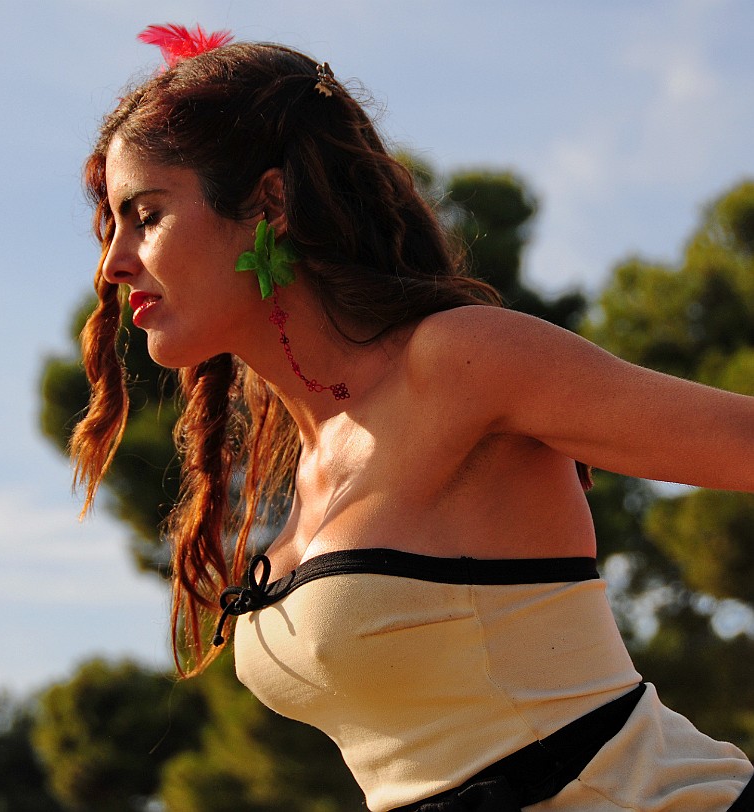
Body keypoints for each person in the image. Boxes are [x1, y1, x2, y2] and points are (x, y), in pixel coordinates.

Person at [70, 23, 754, 811]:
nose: (113, 263)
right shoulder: (312, 461)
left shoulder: (457, 364)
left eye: (146, 215)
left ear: (270, 202)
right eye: (110, 226)